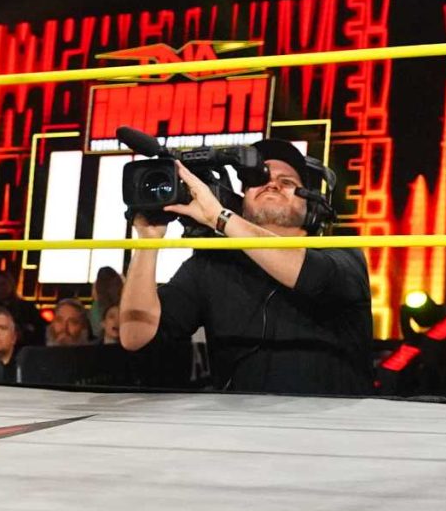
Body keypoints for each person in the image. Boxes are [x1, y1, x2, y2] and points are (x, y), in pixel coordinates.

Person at [117, 138, 370, 395]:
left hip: (333, 418)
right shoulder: (212, 264)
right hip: (238, 420)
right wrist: (148, 241)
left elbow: (311, 276)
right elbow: (136, 336)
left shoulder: (342, 252)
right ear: (242, 200)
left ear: (312, 205)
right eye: (258, 179)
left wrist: (220, 218)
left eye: (287, 182)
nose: (272, 184)